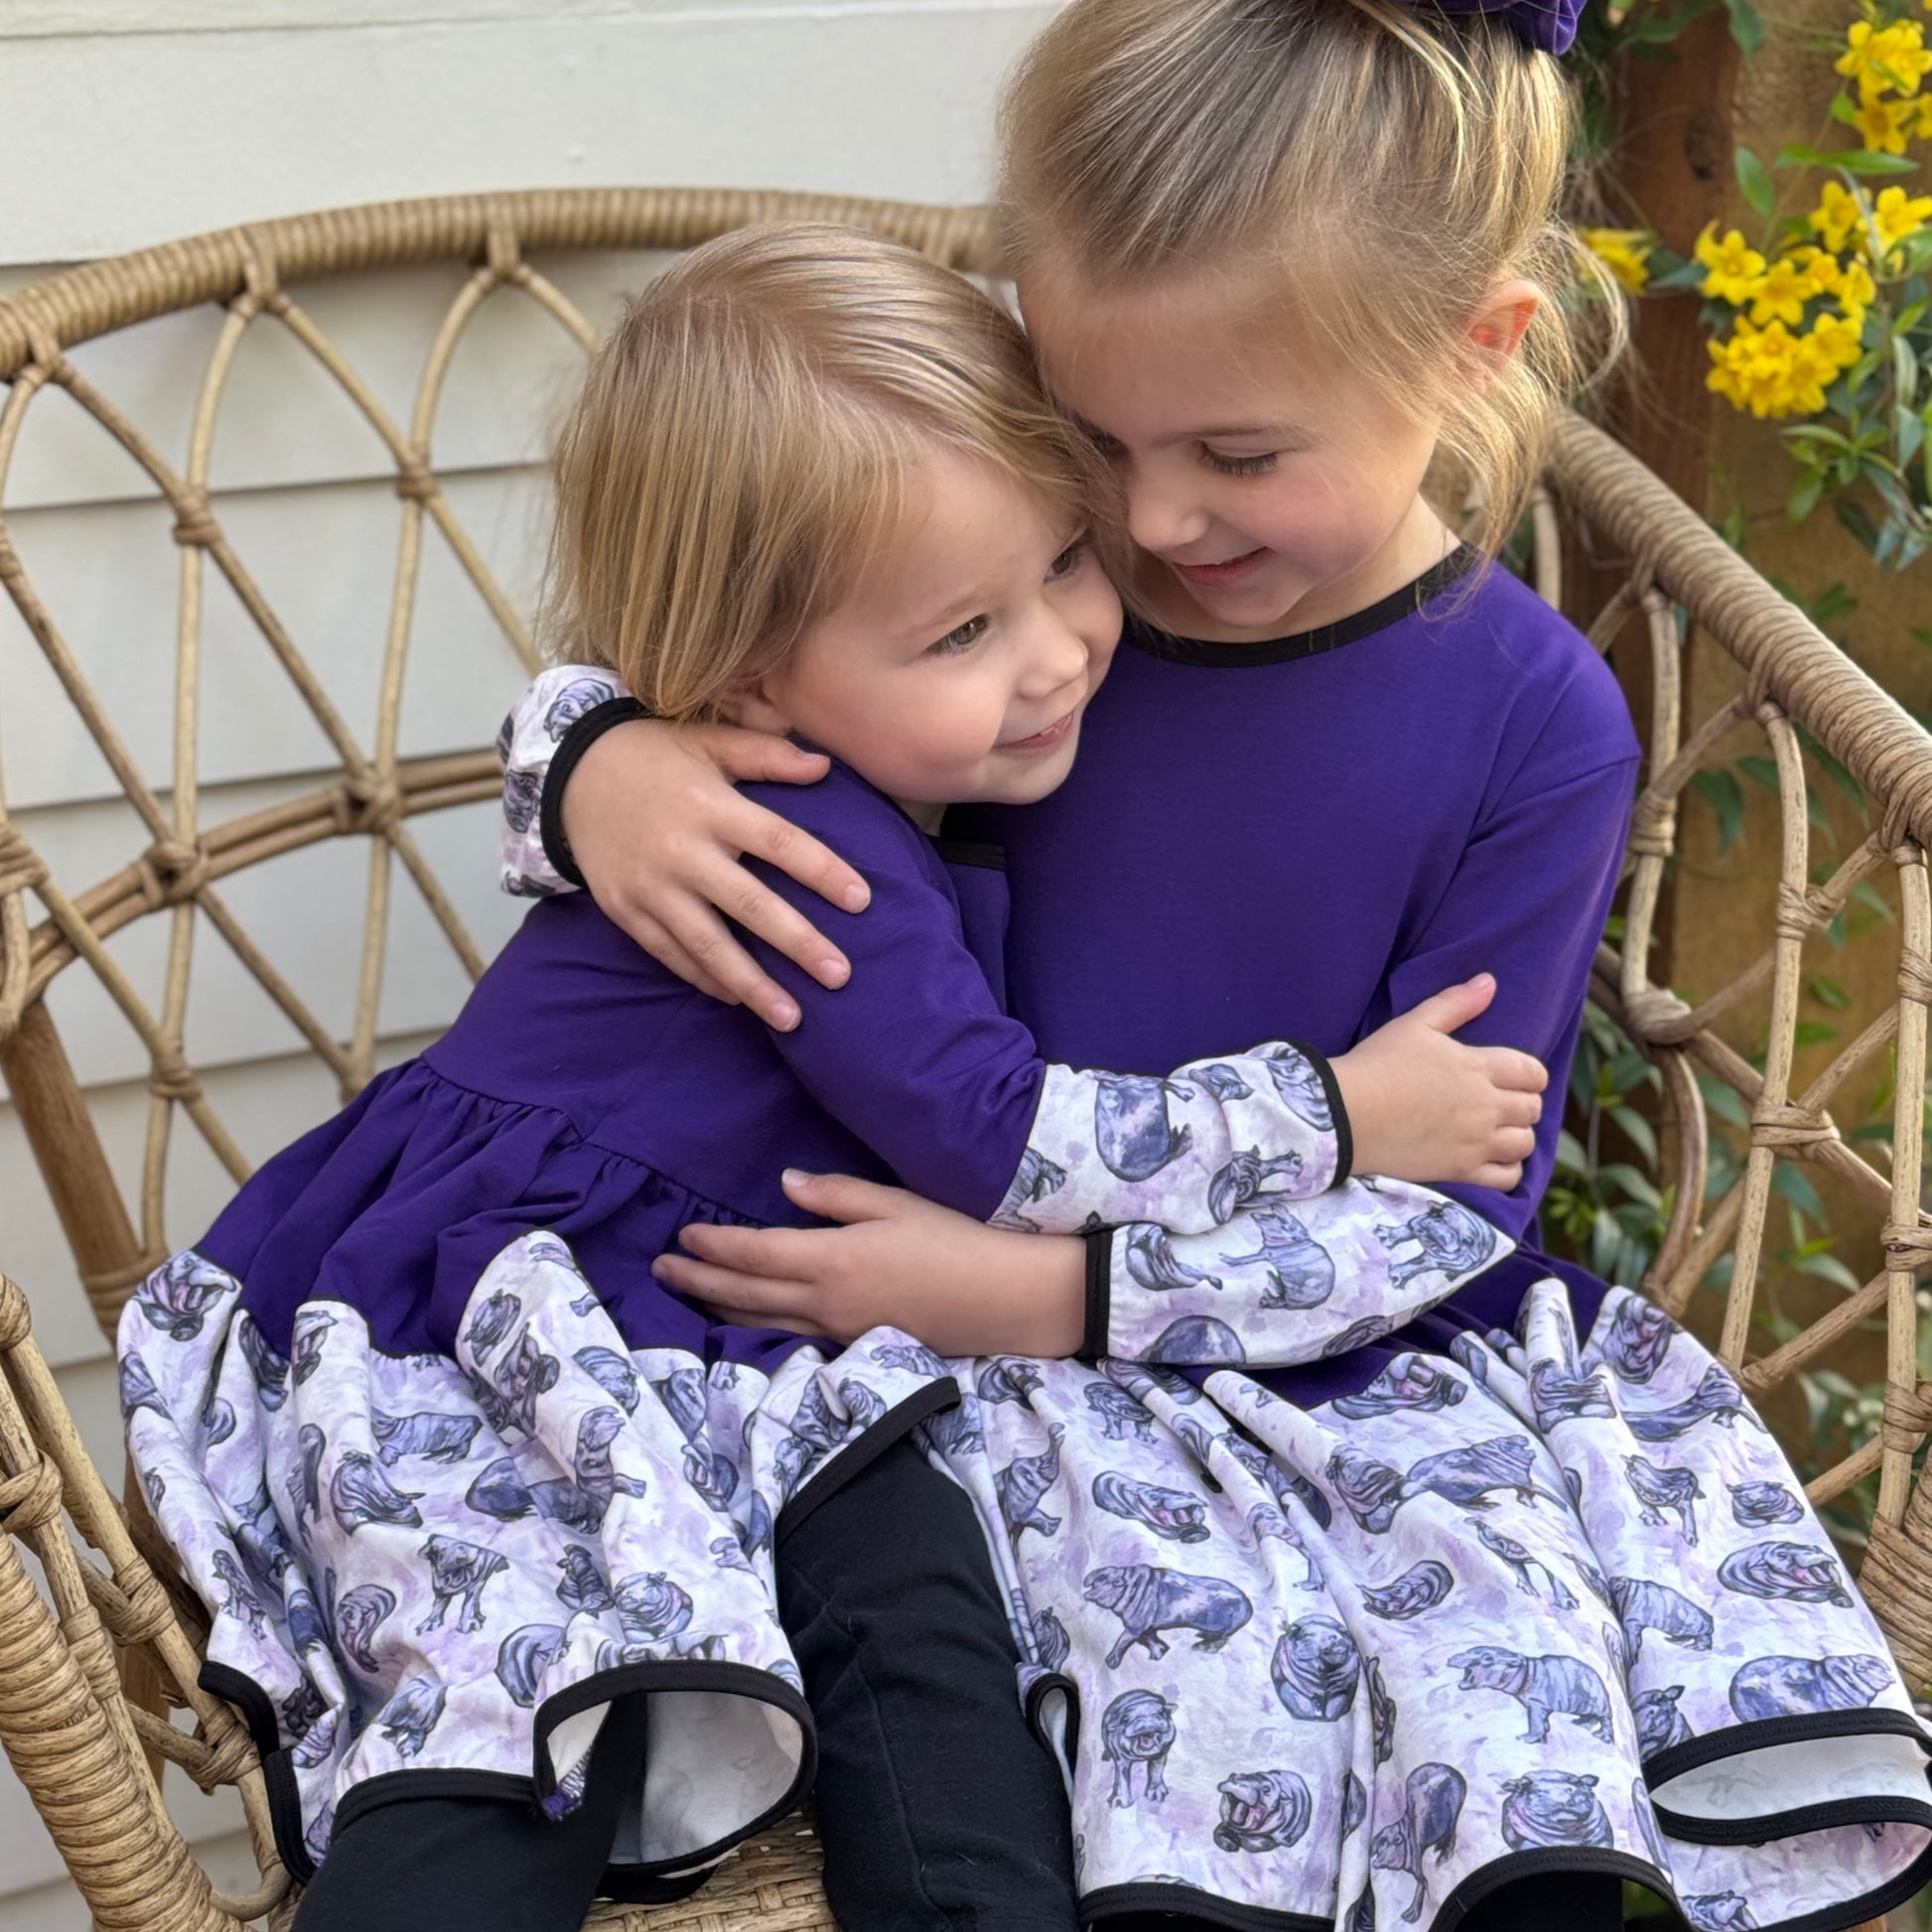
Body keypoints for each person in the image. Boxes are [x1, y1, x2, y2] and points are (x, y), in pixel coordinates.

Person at [497, 2, 1932, 1928]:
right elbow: (743, 617)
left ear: (1472, 351)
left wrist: (1040, 1288)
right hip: (897, 1337)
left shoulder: (1531, 725)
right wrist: (595, 760)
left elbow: (1451, 1206)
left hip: (1306, 1351)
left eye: (1238, 452)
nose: (1152, 521)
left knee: (1478, 1742)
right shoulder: (1018, 606)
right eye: (1092, 438)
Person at [118, 222, 1535, 1932]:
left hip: (765, 1340)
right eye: (960, 633)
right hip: (516, 1319)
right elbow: (1000, 1131)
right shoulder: (807, 844)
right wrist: (1337, 1111)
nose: (1060, 651)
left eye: (1063, 565)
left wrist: (585, 744)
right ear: (743, 680)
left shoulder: (882, 772)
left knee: (930, 1656)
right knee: (515, 1705)